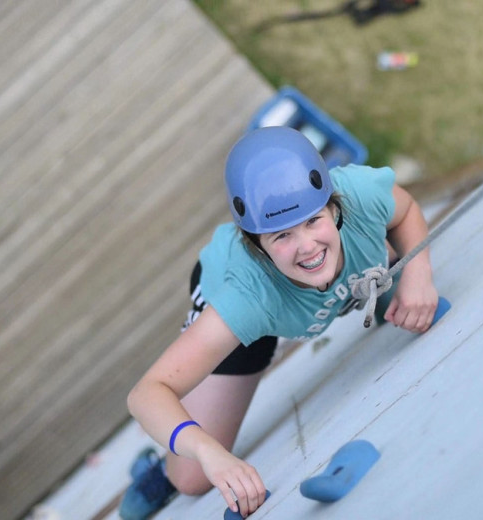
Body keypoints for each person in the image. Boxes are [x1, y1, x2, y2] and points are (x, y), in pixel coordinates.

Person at [122, 126, 438, 519]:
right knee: (192, 479)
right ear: (255, 245)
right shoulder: (244, 299)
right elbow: (147, 393)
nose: (306, 246)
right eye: (281, 235)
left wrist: (418, 271)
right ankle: (160, 466)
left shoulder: (358, 194)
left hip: (302, 285)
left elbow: (404, 210)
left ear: (334, 206)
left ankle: (373, 275)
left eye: (313, 220)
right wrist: (208, 452)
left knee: (387, 262)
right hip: (248, 310)